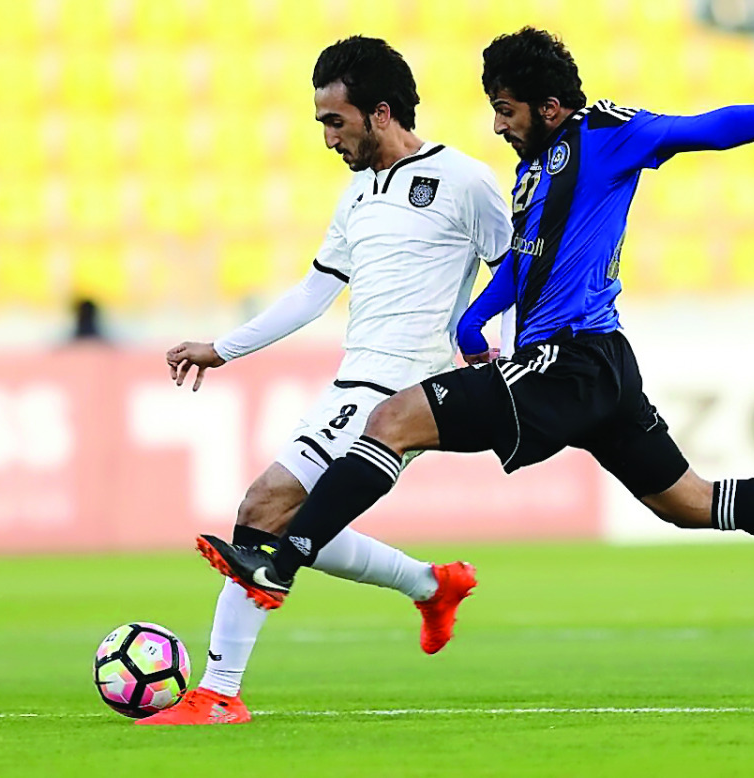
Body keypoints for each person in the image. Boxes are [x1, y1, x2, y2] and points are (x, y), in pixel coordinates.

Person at [197, 28, 754, 621]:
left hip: (570, 359)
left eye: (507, 110)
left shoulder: (609, 134)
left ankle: (281, 559)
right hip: (598, 367)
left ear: (549, 107)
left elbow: (712, 127)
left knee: (392, 419)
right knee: (690, 502)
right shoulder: (532, 172)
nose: (497, 124)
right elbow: (521, 267)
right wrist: (475, 324)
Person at [139, 35, 515, 726]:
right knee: (287, 521)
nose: (326, 137)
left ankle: (220, 693)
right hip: (353, 382)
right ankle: (431, 585)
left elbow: (516, 276)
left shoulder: (464, 181)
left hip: (404, 391)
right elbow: (314, 293)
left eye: (332, 121)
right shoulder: (357, 195)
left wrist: (508, 363)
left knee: (263, 509)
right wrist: (224, 348)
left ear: (378, 112)